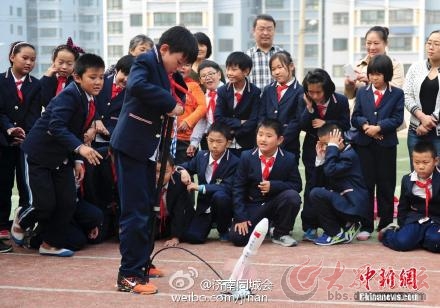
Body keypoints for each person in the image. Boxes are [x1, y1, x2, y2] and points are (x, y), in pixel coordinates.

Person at [110, 26, 197, 294]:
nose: (180, 68)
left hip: (150, 148)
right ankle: (128, 275)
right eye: (179, 62)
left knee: (148, 208)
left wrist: (177, 99)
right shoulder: (145, 61)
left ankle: (142, 263)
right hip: (132, 146)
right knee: (134, 212)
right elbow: (136, 86)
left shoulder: (167, 71)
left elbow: (178, 94)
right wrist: (170, 103)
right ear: (165, 50)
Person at [11, 53, 105, 257]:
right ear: (78, 77)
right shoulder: (69, 95)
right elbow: (56, 126)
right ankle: (21, 219)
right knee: (44, 204)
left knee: (67, 202)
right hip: (39, 154)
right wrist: (81, 148)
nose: (98, 82)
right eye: (93, 77)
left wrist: (78, 160)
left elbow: (78, 129)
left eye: (101, 77)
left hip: (62, 158)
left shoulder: (90, 100)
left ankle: (50, 244)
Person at [351, 54, 404, 241]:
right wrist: (366, 126)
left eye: (379, 74)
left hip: (386, 146)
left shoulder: (397, 93)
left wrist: (379, 127)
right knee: (365, 185)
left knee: (386, 184)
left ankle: (385, 224)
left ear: (387, 74)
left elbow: (397, 118)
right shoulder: (362, 92)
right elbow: (355, 116)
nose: (374, 78)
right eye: (372, 74)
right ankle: (366, 225)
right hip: (364, 146)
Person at [83, 54, 135, 240]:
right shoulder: (100, 82)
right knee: (90, 183)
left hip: (114, 143)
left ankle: (113, 224)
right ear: (117, 70)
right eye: (124, 76)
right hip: (88, 142)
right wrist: (93, 124)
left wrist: (107, 131)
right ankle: (95, 221)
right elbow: (88, 102)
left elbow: (126, 119)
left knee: (112, 184)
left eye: (131, 78)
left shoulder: (133, 92)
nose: (125, 81)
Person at [229, 118, 302, 247]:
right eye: (260, 134)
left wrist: (274, 186)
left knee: (292, 196)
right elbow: (238, 188)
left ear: (279, 140)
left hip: (275, 203)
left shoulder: (289, 158)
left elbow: (297, 185)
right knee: (238, 238)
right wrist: (241, 217)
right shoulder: (246, 156)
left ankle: (280, 233)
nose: (263, 139)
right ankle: (264, 227)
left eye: (268, 136)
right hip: (254, 204)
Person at [299, 69, 350, 241]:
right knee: (311, 186)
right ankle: (309, 226)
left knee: (332, 186)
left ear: (327, 89)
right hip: (312, 149)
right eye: (310, 91)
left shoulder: (340, 100)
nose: (314, 95)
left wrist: (326, 123)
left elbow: (345, 124)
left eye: (318, 92)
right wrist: (309, 108)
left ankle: (333, 225)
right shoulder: (305, 100)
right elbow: (303, 125)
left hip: (335, 148)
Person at [0, 41, 41, 245]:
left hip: (26, 142)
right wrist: (9, 129)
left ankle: (24, 224)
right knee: (3, 184)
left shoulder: (36, 84)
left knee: (27, 185)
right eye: (24, 57)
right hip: (3, 141)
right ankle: (2, 226)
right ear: (12, 56)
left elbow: (35, 114)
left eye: (32, 59)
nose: (29, 62)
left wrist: (25, 132)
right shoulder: (0, 81)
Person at [179, 122, 239, 242]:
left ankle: (223, 228)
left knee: (220, 196)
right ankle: (205, 223)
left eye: (219, 141)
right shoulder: (201, 156)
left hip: (223, 205)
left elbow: (227, 187)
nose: (214, 145)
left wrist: (200, 187)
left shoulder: (235, 162)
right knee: (193, 238)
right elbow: (183, 166)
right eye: (211, 141)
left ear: (228, 143)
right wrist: (183, 170)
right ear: (206, 139)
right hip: (204, 207)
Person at [309, 124, 367, 245]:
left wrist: (332, 148)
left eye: (328, 144)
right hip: (344, 202)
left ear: (339, 140)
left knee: (316, 194)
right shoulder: (333, 156)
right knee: (315, 193)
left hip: (353, 206)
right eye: (323, 144)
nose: (325, 148)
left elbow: (330, 170)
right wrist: (320, 159)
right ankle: (345, 226)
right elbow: (315, 184)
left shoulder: (348, 155)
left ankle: (335, 233)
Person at [379, 141, 440, 253]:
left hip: (436, 220)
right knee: (402, 243)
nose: (421, 166)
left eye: (425, 162)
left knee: (436, 241)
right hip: (416, 219)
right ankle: (388, 233)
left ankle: (422, 239)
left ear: (436, 161)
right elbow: (403, 206)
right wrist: (402, 226)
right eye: (416, 162)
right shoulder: (407, 180)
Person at [258, 50, 303, 163]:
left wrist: (279, 140)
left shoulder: (300, 91)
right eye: (273, 69)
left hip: (288, 146)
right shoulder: (268, 89)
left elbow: (297, 121)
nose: (276, 72)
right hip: (265, 147)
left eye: (280, 67)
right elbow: (261, 114)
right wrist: (264, 136)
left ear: (291, 66)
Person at [404, 30, 440, 165]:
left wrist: (430, 122)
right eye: (429, 43)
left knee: (437, 175)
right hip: (415, 130)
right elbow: (406, 95)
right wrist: (422, 117)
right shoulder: (415, 67)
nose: (431, 47)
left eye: (437, 44)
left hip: (438, 133)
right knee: (416, 173)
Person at [214, 51, 261, 157]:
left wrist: (233, 133)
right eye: (228, 69)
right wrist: (239, 122)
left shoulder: (255, 92)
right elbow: (218, 117)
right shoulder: (222, 91)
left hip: (247, 143)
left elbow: (254, 120)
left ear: (246, 71)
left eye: (234, 69)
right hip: (226, 144)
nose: (229, 73)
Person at [344, 26, 404, 107]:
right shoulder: (358, 66)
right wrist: (349, 85)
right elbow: (349, 96)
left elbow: (396, 92)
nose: (372, 47)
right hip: (362, 116)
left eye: (376, 43)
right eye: (368, 43)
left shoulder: (395, 65)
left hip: (387, 115)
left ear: (386, 43)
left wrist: (370, 80)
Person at [154, 157, 193, 248]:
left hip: (174, 217)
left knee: (190, 236)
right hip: (156, 217)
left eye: (165, 172)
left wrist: (175, 237)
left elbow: (179, 210)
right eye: (156, 171)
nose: (159, 176)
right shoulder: (146, 181)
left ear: (173, 170)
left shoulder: (179, 182)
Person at [187, 59, 224, 155]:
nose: (207, 78)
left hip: (227, 139)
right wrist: (194, 143)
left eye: (211, 74)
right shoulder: (204, 98)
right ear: (200, 80)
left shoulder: (229, 92)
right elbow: (202, 121)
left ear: (219, 74)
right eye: (203, 76)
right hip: (208, 140)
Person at [174, 62, 206, 164]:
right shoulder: (166, 83)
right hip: (166, 137)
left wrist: (188, 121)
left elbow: (202, 107)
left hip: (185, 139)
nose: (182, 67)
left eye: (187, 65)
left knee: (183, 170)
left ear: (191, 68)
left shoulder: (194, 86)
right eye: (179, 63)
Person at [40, 37, 85, 107]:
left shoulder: (77, 81)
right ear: (53, 61)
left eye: (69, 64)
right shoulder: (49, 79)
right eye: (60, 63)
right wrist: (46, 78)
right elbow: (43, 100)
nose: (64, 67)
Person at [246, 14, 283, 90]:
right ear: (254, 31)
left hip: (278, 101)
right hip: (255, 101)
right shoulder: (246, 57)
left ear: (274, 31)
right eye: (261, 29)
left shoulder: (283, 55)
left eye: (269, 29)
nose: (265, 33)